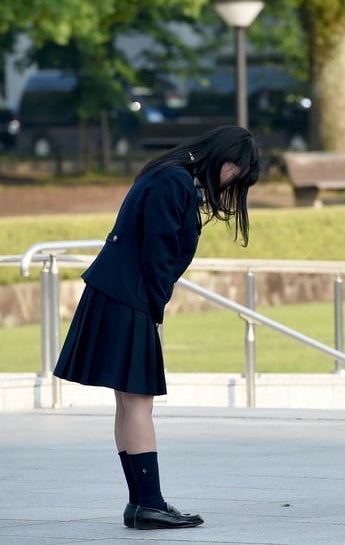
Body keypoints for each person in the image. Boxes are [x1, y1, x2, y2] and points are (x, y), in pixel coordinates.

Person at [54, 126, 260, 530]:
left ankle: (141, 502)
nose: (234, 180)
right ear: (225, 156)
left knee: (129, 402)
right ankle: (148, 502)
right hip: (129, 296)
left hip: (118, 292)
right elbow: (159, 250)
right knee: (138, 403)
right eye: (238, 170)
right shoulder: (175, 180)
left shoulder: (169, 173)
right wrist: (154, 304)